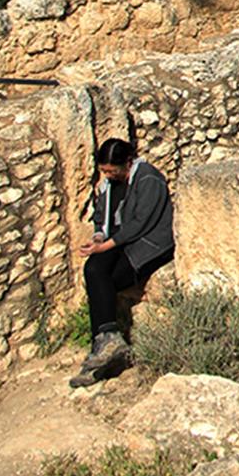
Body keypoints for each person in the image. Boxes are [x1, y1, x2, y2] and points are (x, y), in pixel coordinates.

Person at [71, 137, 175, 387]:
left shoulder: (148, 179)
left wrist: (105, 246)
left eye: (111, 170)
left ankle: (103, 346)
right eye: (104, 171)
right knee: (94, 269)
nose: (108, 175)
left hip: (150, 244)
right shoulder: (109, 186)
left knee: (106, 280)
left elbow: (141, 223)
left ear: (128, 162)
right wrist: (98, 237)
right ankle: (107, 339)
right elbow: (101, 218)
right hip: (119, 242)